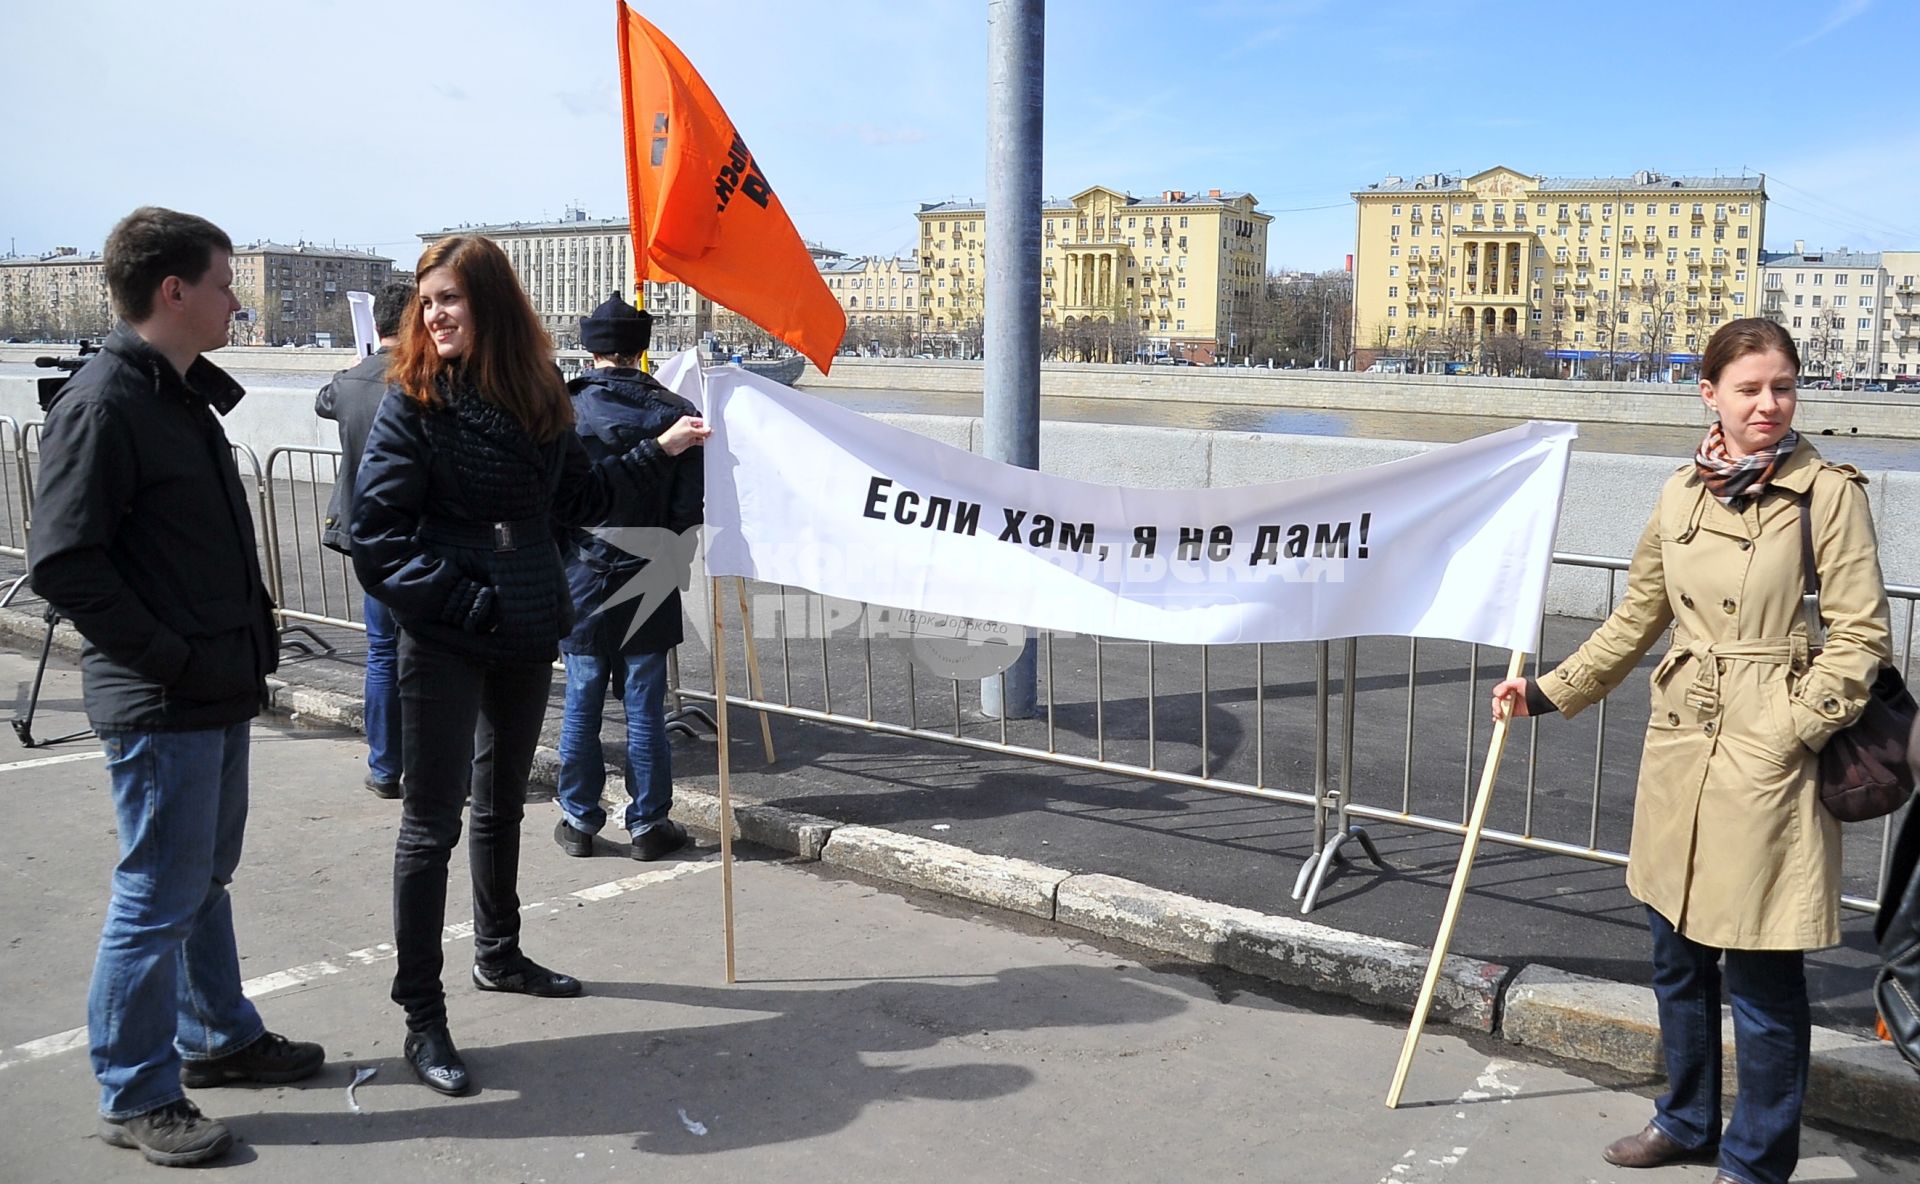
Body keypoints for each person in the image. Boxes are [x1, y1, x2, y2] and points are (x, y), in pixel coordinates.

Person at [1491, 318, 1891, 1184]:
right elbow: (1637, 618)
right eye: (1748, 389)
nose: (1768, 406)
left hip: (1769, 750)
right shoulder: (1681, 494)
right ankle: (1685, 1120)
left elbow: (1861, 638)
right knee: (1677, 953)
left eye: (1782, 387)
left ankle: (1754, 1160)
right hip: (1681, 744)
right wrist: (1549, 689)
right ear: (1708, 393)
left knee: (1759, 967)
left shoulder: (1826, 494)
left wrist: (1795, 727)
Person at [350, 236, 708, 1097]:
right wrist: (464, 600)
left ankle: (499, 956)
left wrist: (657, 451)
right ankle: (422, 1017)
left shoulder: (539, 396)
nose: (434, 314)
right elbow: (378, 536)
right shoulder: (413, 400)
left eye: (452, 300)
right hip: (444, 629)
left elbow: (576, 499)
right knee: (429, 826)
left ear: (493, 309)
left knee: (503, 804)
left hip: (523, 619)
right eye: (427, 301)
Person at [30, 207, 325, 1167]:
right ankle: (135, 1089)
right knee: (157, 893)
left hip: (209, 685)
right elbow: (67, 566)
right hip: (166, 697)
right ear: (173, 293)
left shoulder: (172, 392)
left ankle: (219, 1039)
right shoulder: (109, 402)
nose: (237, 300)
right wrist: (173, 658)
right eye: (225, 283)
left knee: (201, 881)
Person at [553, 294, 703, 862]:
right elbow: (688, 512)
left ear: (589, 350)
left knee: (582, 699)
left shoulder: (562, 410)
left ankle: (578, 820)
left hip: (581, 573)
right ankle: (647, 824)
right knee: (644, 703)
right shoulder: (676, 413)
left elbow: (557, 501)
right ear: (642, 350)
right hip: (650, 572)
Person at [316, 278, 416, 798]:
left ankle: (384, 768)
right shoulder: (430, 379)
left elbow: (324, 401)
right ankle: (439, 766)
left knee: (381, 652)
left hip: (368, 537)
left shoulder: (351, 382)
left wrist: (361, 361)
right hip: (423, 538)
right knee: (432, 654)